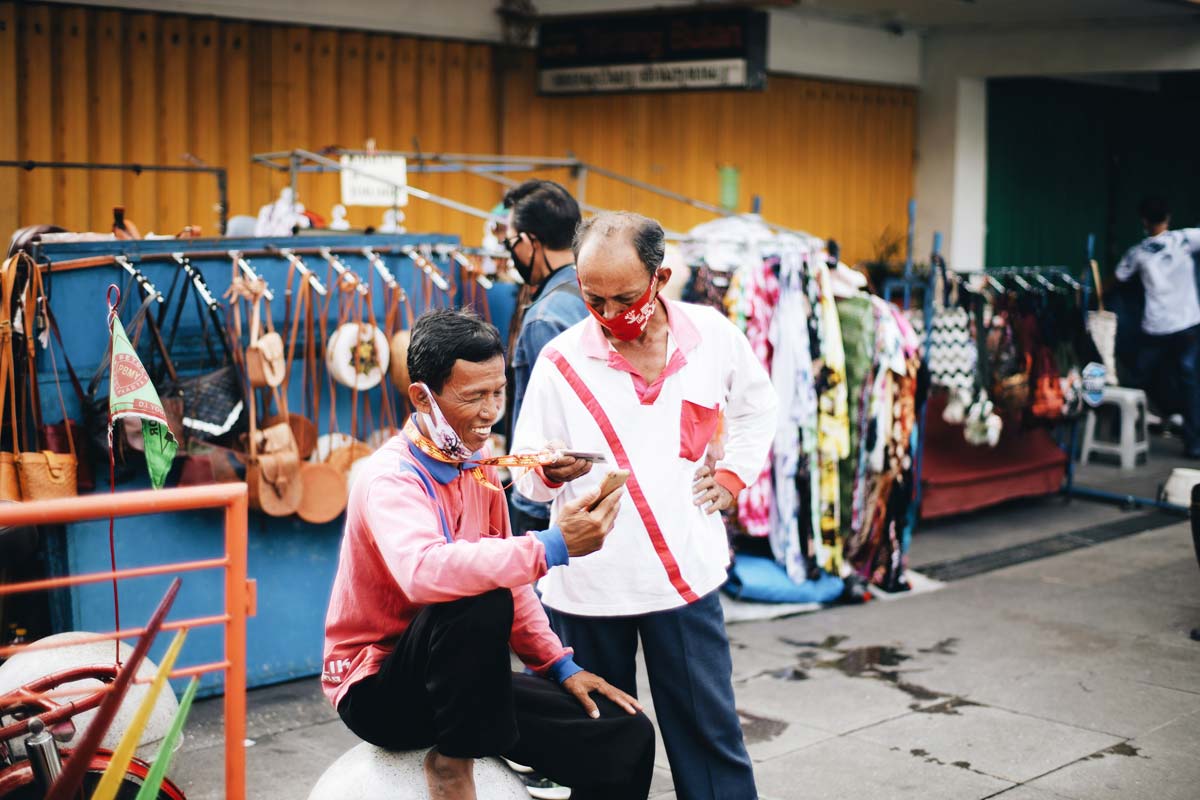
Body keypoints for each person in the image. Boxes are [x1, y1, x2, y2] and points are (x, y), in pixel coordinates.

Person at [321, 308, 655, 800]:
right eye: (473, 396)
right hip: (380, 691)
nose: (489, 412)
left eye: (497, 392)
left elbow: (515, 584)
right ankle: (451, 765)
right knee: (477, 596)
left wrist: (561, 668)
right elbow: (425, 573)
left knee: (622, 730)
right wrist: (552, 545)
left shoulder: (477, 471)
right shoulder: (388, 477)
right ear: (422, 397)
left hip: (462, 685)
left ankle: (478, 742)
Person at [512, 211, 777, 800]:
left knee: (709, 738)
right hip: (588, 588)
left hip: (684, 579)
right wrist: (547, 472)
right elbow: (526, 479)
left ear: (661, 278)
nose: (608, 315)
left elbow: (760, 406)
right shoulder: (559, 362)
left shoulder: (712, 336)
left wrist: (733, 476)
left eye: (624, 297)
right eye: (594, 299)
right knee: (600, 748)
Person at [502, 179, 589, 537]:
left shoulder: (545, 318)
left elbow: (549, 420)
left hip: (546, 501)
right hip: (588, 489)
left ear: (529, 242)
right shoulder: (597, 294)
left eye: (510, 243)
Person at [1115, 196, 1200, 458]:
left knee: (1139, 378)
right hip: (1187, 325)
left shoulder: (1138, 253)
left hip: (1157, 327)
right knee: (1189, 383)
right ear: (1168, 217)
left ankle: (1124, 432)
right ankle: (1194, 443)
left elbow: (1118, 277)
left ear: (1143, 221)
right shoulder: (1184, 239)